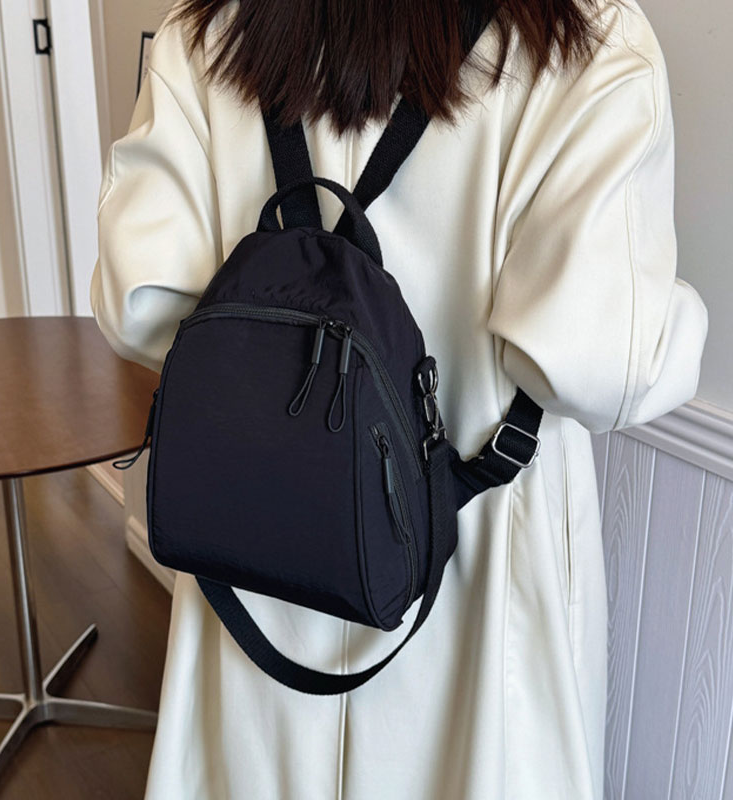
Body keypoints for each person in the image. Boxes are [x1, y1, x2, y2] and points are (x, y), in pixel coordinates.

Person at [90, 0, 708, 797]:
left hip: (258, 546)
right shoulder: (586, 40)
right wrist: (679, 321)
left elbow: (139, 304)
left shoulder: (207, 32)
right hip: (475, 558)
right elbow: (603, 364)